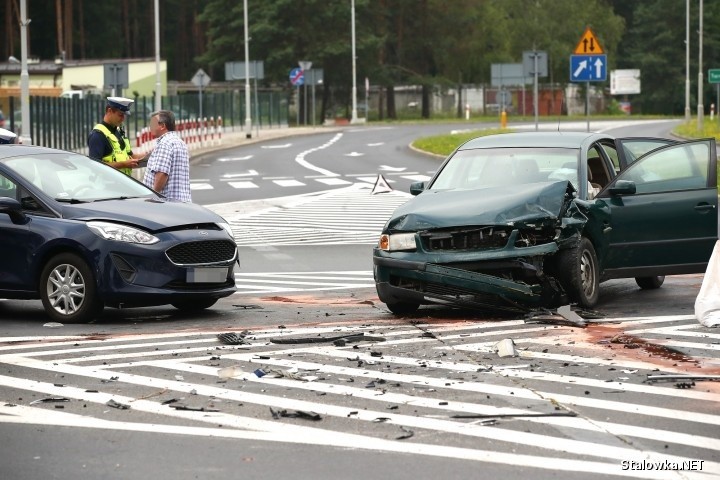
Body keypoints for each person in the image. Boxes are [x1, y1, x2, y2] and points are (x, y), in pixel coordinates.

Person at [143, 110, 191, 202]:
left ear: (162, 126)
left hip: (167, 204)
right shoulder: (179, 142)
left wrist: (153, 197)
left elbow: (162, 173)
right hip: (182, 201)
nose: (150, 127)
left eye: (153, 124)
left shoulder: (165, 143)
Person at [87, 97, 145, 175]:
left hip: (121, 184)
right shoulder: (97, 135)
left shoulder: (118, 131)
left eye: (124, 115)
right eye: (120, 115)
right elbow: (95, 166)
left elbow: (131, 155)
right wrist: (123, 164)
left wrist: (149, 155)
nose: (123, 119)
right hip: (106, 185)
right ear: (109, 111)